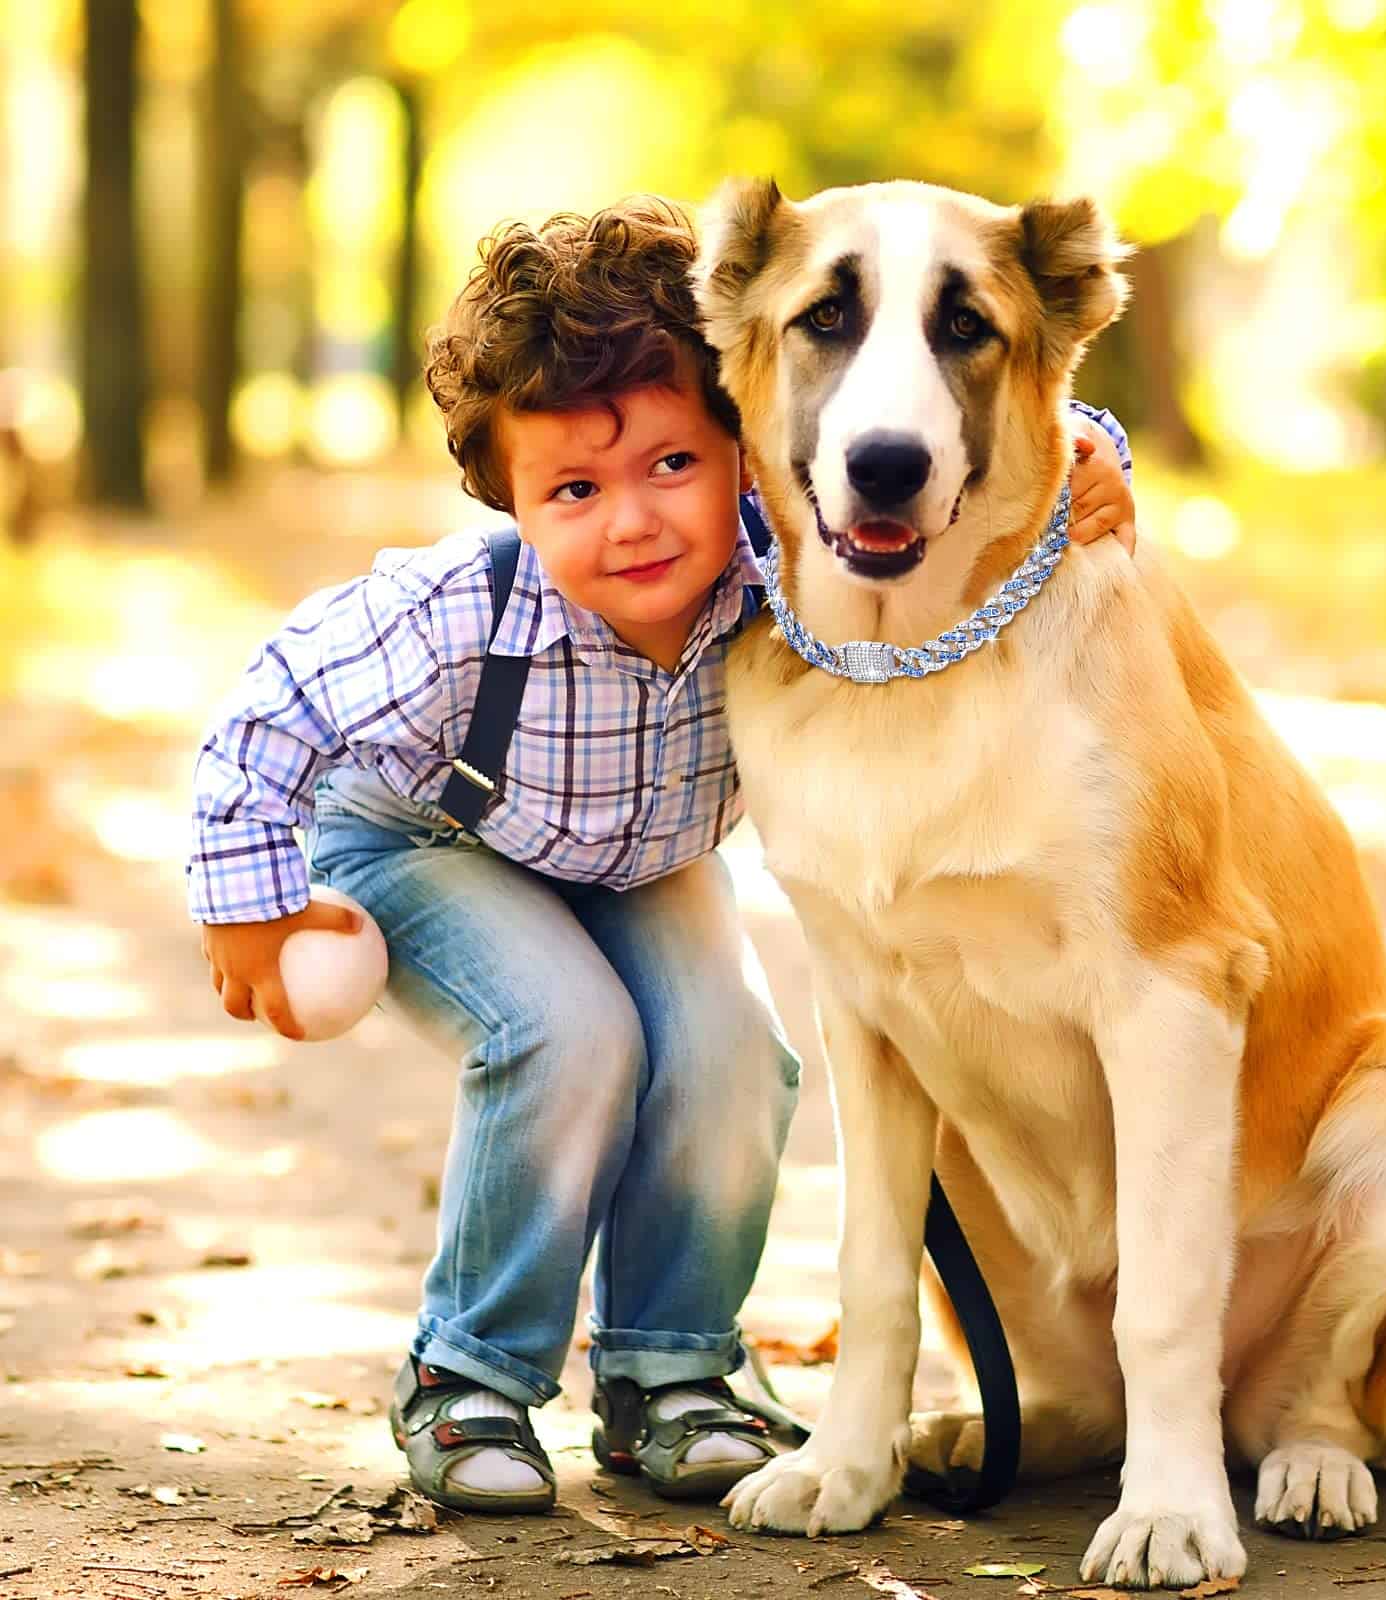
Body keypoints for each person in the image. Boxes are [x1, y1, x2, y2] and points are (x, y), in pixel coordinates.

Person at [187, 195, 1139, 1515]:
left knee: (734, 1052)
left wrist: (1096, 451)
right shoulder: (454, 612)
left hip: (639, 859)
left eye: (673, 465)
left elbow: (972, 417)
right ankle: (471, 1375)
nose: (632, 521)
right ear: (509, 496)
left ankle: (672, 1370)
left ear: (748, 438)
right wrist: (248, 912)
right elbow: (266, 714)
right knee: (568, 1033)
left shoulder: (778, 565)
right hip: (426, 837)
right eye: (574, 490)